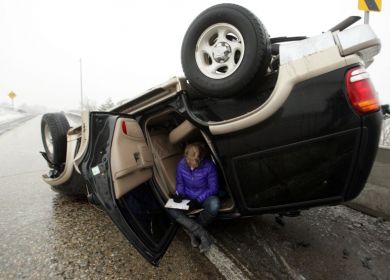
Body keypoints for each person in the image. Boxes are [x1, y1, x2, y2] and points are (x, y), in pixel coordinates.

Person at [167, 142, 220, 253]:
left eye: (194, 162)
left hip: (203, 197)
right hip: (187, 198)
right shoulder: (181, 165)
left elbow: (213, 188)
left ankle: (193, 231)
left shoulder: (209, 166)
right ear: (185, 157)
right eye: (188, 161)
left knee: (214, 204)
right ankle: (201, 233)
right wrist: (179, 194)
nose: (191, 165)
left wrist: (197, 200)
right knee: (169, 208)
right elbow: (180, 184)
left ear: (201, 159)